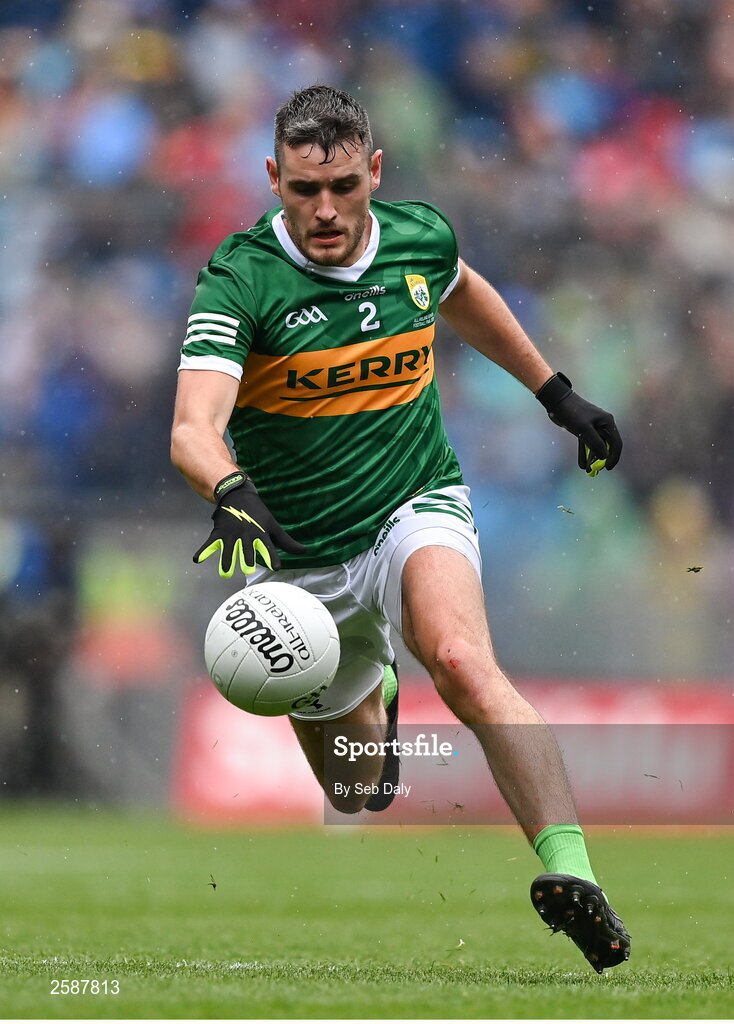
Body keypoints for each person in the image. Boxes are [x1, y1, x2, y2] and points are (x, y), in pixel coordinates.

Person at [170, 85, 630, 973]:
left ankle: (573, 873)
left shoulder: (419, 235)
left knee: (459, 658)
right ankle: (369, 674)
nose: (327, 210)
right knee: (354, 792)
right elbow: (193, 426)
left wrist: (554, 391)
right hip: (299, 557)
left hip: (411, 505)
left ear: (373, 170)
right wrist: (228, 489)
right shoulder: (239, 277)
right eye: (304, 190)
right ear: (273, 179)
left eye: (343, 184)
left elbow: (462, 293)